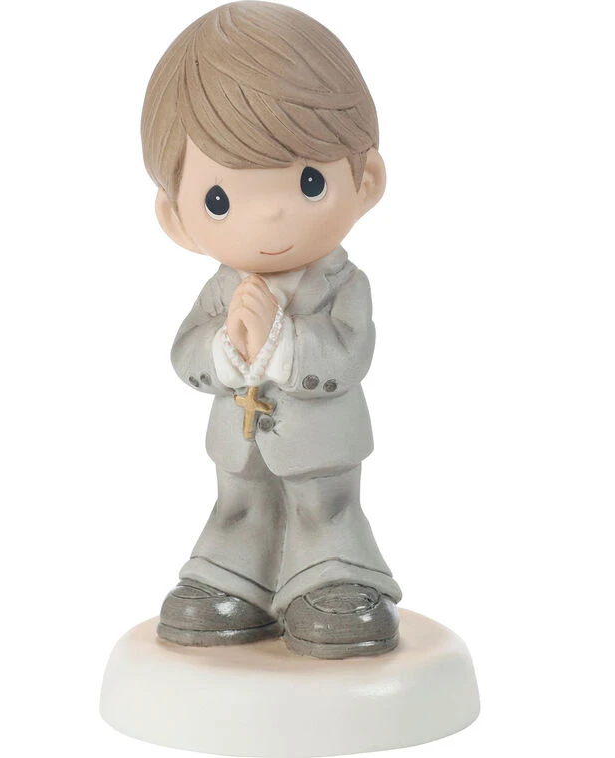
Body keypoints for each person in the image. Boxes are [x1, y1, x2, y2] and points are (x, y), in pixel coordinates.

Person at [141, 1, 401, 659]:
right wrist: (228, 347)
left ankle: (336, 578)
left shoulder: (344, 285)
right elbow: (185, 353)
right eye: (221, 201)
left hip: (322, 444)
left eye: (309, 182)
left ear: (366, 181)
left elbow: (349, 354)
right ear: (175, 220)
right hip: (239, 442)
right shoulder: (221, 291)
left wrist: (280, 343)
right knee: (238, 505)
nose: (270, 217)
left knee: (324, 508)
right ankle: (232, 580)